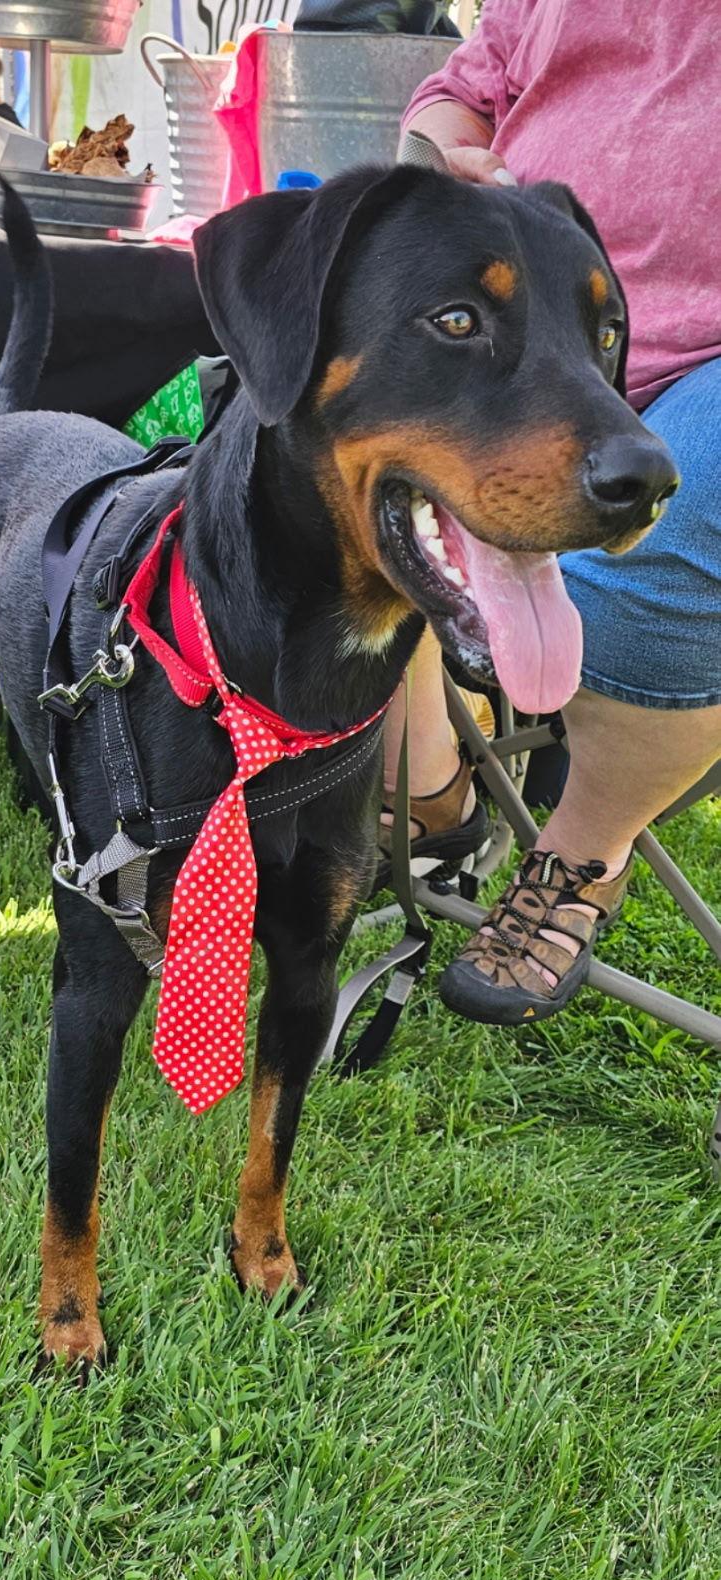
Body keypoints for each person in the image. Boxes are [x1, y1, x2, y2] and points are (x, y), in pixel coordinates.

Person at [383, 0, 721, 1025]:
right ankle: (435, 798)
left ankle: (580, 854)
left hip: (703, 356)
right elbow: (463, 87)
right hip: (531, 314)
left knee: (685, 503)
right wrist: (441, 157)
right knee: (358, 471)